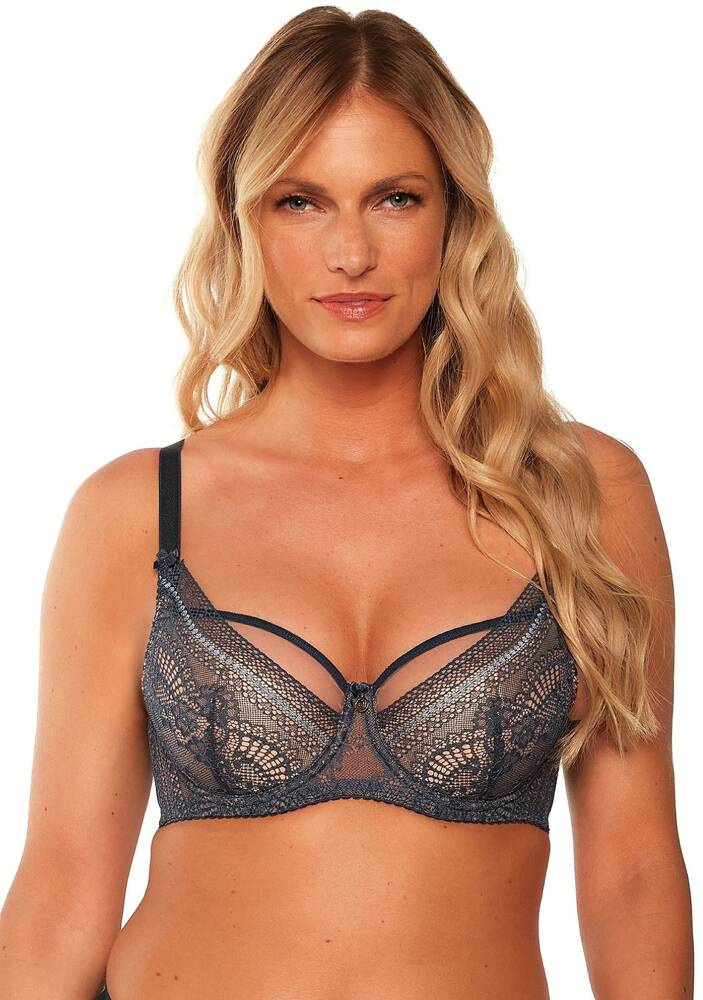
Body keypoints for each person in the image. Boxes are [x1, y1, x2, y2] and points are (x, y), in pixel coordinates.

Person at [0, 7, 693, 999]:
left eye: (395, 198)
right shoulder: (137, 512)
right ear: (245, 218)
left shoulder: (581, 494)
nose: (351, 253)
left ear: (453, 215)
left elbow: (633, 875)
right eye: (301, 202)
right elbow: (62, 890)